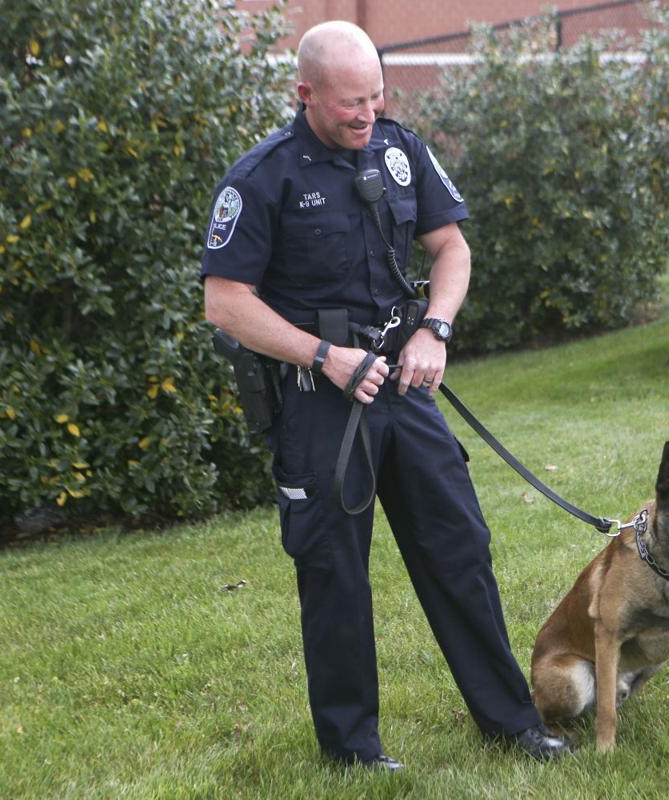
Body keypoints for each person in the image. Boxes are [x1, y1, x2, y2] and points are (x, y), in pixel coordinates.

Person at [200, 21, 572, 771]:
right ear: (305, 95)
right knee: (334, 572)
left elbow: (451, 247)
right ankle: (353, 751)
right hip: (318, 396)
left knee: (460, 546)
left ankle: (513, 723)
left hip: (403, 380)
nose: (367, 114)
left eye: (376, 96)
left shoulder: (400, 149)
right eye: (349, 104)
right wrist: (325, 356)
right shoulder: (262, 176)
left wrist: (435, 328)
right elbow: (225, 301)